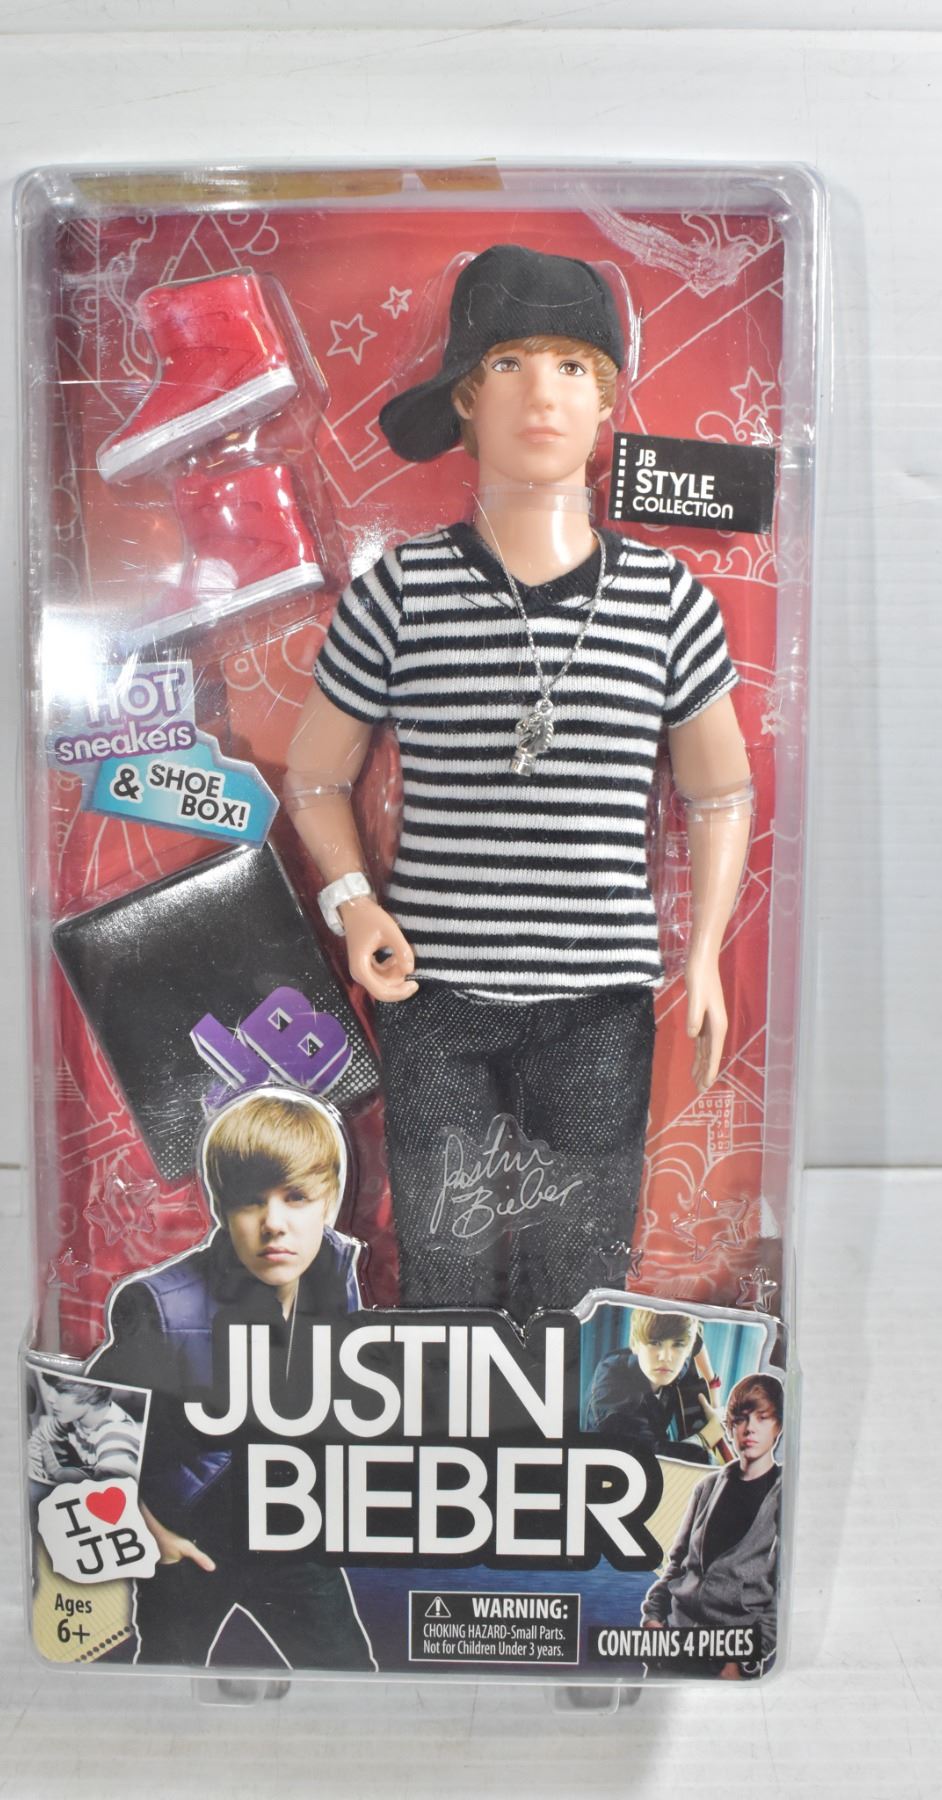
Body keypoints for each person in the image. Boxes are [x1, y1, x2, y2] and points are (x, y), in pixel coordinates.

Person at [286, 243, 753, 1319]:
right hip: (433, 989)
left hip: (598, 997)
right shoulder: (399, 592)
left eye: (573, 366)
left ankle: (574, 1420)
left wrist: (704, 956)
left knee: (581, 1271)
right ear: (464, 397)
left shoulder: (664, 599)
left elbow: (719, 794)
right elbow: (313, 777)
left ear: (607, 400)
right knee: (444, 1271)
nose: (543, 393)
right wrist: (353, 904)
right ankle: (447, 1419)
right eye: (507, 363)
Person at [88, 1088, 375, 1673]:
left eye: (296, 1197)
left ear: (330, 1200)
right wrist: (151, 1533)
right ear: (221, 1207)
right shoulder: (162, 1305)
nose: (274, 1224)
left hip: (292, 1537)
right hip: (191, 1544)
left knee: (351, 1678)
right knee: (166, 1682)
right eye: (250, 1201)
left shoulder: (336, 1274)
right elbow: (78, 1426)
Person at [641, 1372, 784, 1676]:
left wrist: (743, 1658)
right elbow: (676, 1566)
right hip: (673, 1643)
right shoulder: (707, 1488)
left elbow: (783, 1592)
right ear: (730, 1427)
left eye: (762, 1418)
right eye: (741, 1419)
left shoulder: (785, 1494)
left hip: (728, 1656)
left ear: (778, 1427)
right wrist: (653, 1618)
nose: (750, 1428)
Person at [584, 1308, 725, 1463]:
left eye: (677, 1344)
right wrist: (710, 1434)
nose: (665, 1357)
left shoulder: (675, 1362)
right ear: (634, 1343)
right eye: (654, 1343)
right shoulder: (615, 1399)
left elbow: (695, 1340)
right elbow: (654, 1459)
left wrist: (713, 1386)